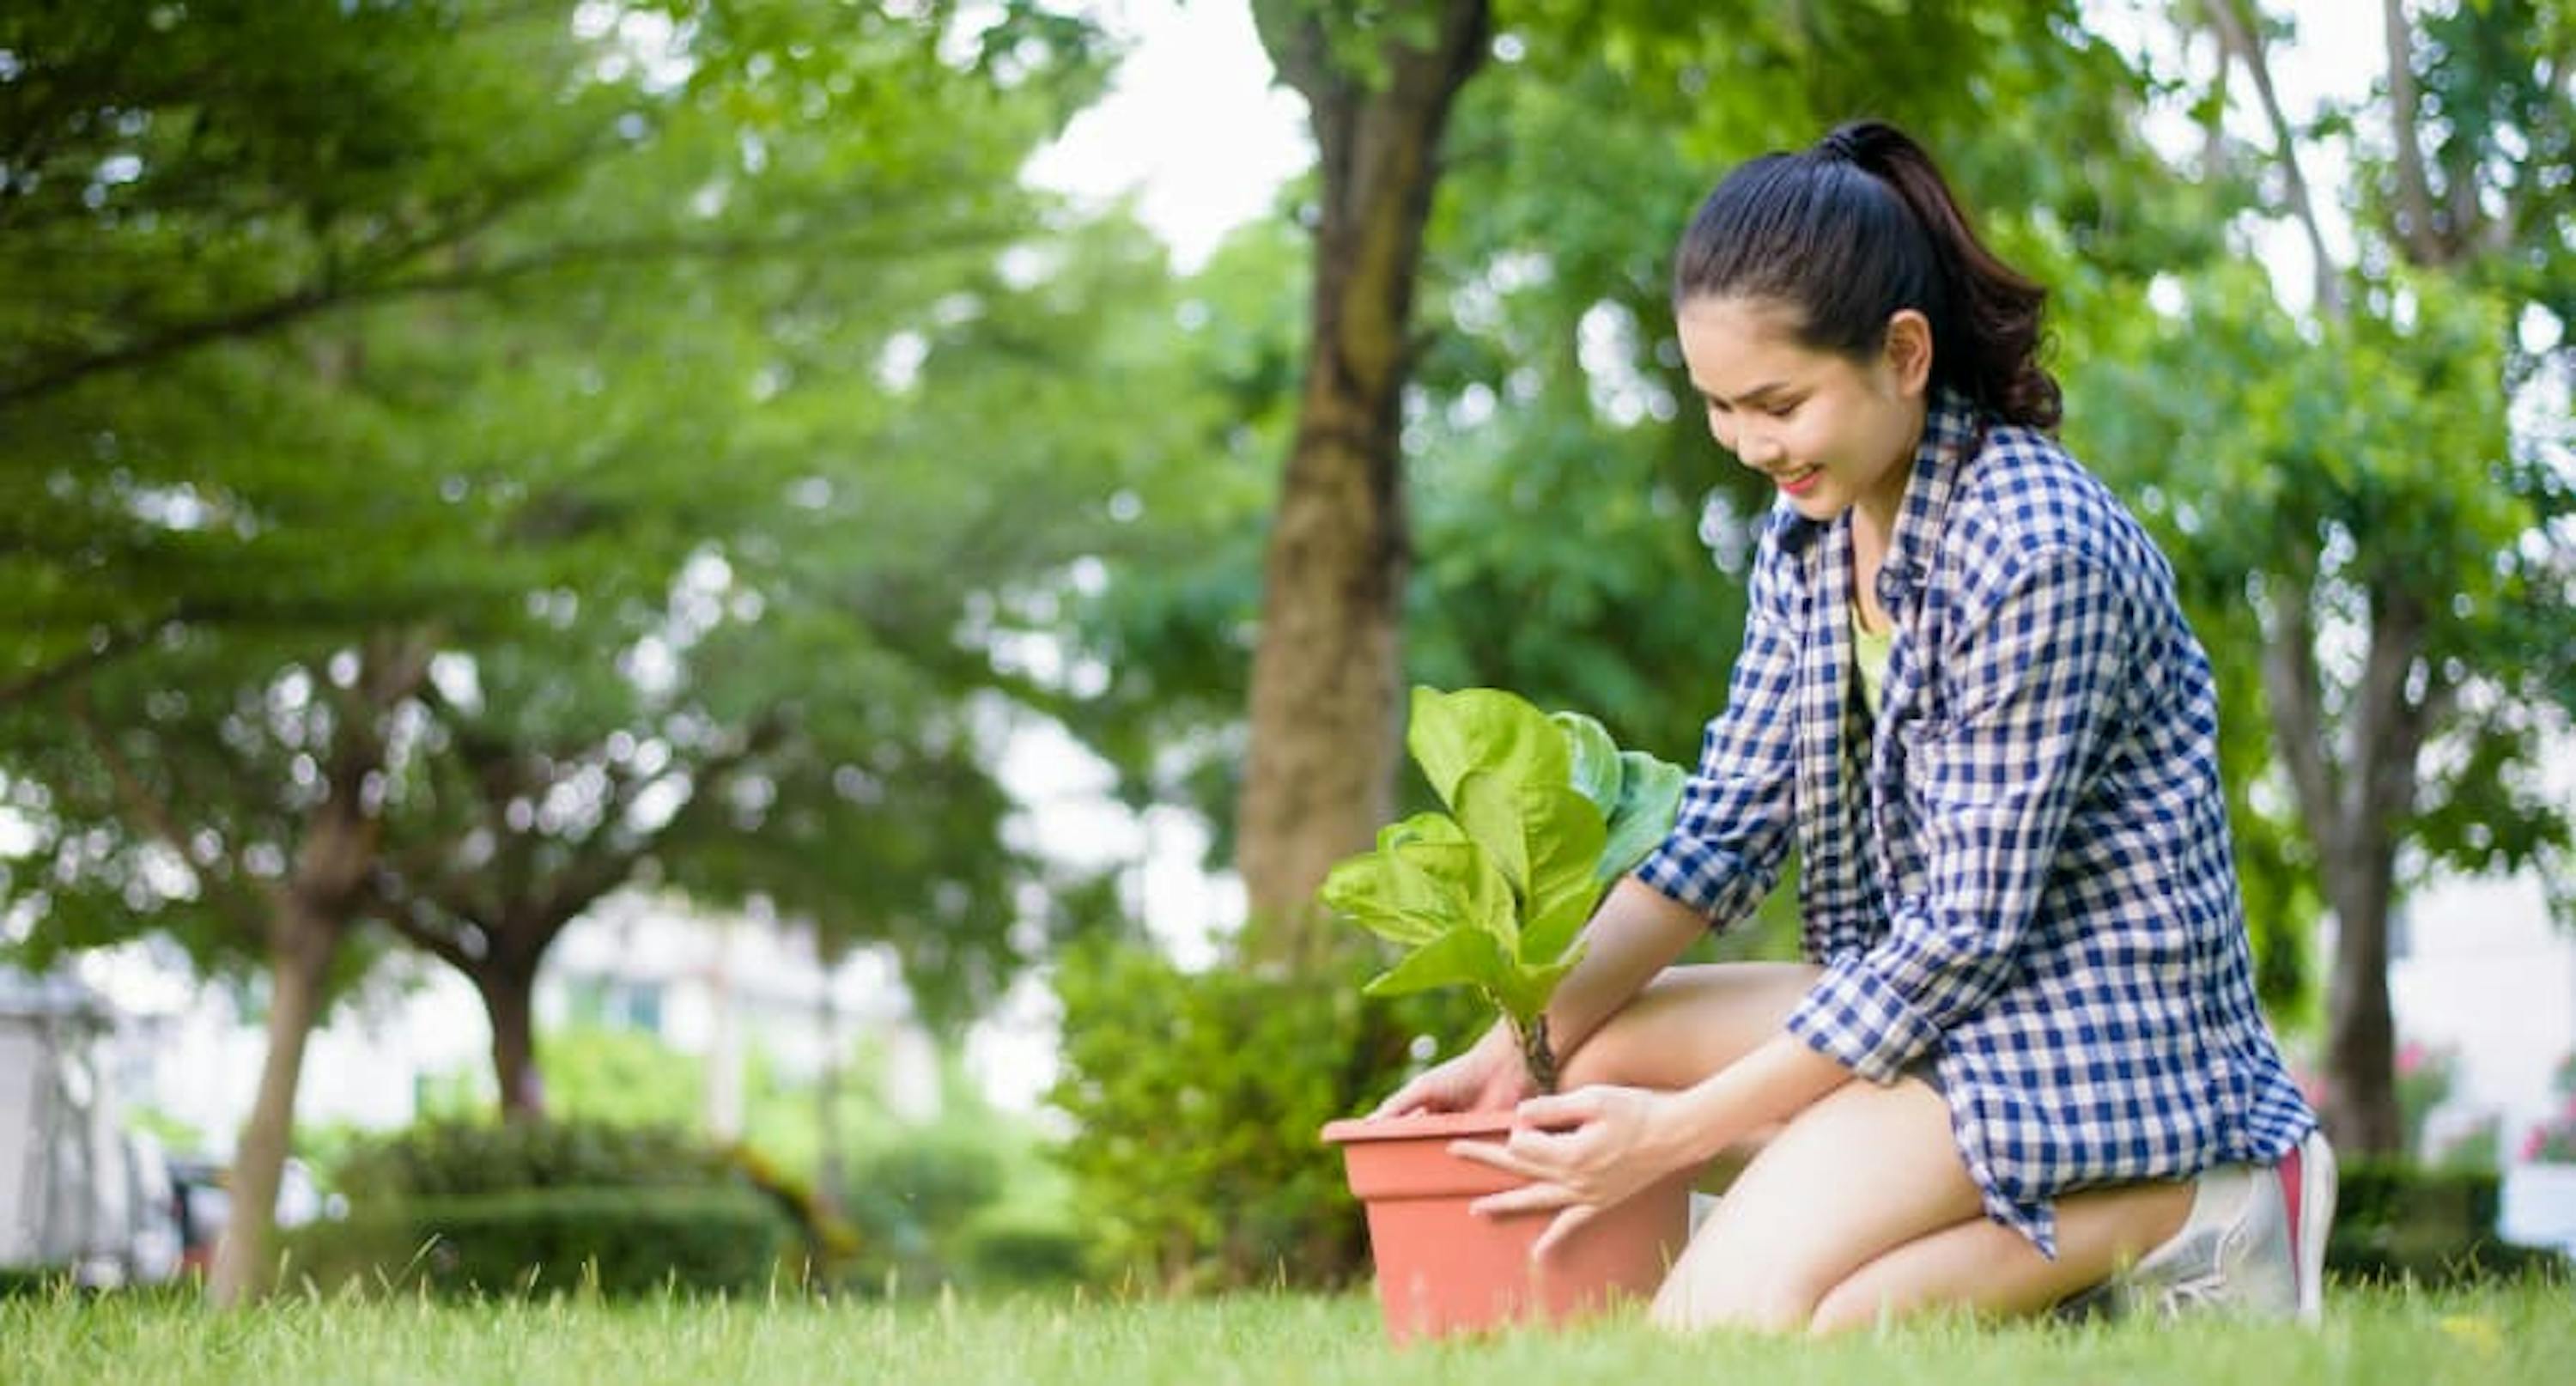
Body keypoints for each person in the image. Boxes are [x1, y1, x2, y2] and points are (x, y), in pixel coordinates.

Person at [1377, 119, 2335, 1334]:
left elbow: (1961, 935)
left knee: (1748, 1328)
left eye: (1777, 401)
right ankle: (2016, 1258)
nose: (1748, 444)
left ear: (1902, 352)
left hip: (2079, 1030)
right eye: (1720, 406)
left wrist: (1678, 1133)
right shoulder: (1808, 539)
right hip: (1932, 1016)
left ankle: (2206, 1197)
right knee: (1584, 1061)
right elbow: (1720, 834)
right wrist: (1516, 1042)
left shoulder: (2035, 551)